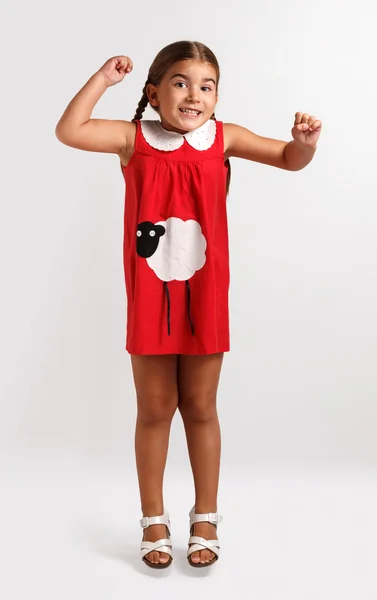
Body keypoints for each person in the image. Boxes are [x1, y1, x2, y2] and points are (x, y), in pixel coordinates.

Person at [55, 40, 322, 570]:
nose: (194, 95)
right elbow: (71, 130)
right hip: (151, 296)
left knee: (200, 409)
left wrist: (304, 143)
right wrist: (103, 79)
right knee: (155, 411)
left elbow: (290, 161)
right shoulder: (135, 139)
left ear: (217, 96)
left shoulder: (224, 138)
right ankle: (153, 517)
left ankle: (206, 515)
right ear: (154, 93)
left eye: (207, 86)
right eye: (180, 83)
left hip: (206, 297)